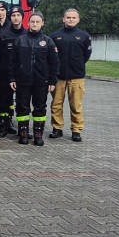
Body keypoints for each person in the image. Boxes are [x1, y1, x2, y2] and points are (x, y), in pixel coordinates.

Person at [9, 11, 59, 146]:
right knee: (22, 107)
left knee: (40, 108)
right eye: (32, 21)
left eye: (37, 22)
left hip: (41, 82)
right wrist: (12, 78)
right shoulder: (20, 40)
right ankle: (23, 133)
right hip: (22, 81)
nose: (35, 24)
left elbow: (54, 63)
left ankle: (38, 134)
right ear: (28, 23)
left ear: (42, 23)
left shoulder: (48, 41)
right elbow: (12, 62)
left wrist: (52, 81)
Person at [50, 8, 92, 142]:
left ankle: (76, 130)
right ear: (63, 19)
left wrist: (77, 65)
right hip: (59, 77)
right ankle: (57, 128)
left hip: (76, 77)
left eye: (74, 18)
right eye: (68, 17)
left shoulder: (84, 36)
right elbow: (51, 56)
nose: (71, 20)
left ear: (78, 19)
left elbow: (86, 55)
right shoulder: (55, 36)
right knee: (56, 104)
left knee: (76, 105)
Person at [0, 6, 27, 138]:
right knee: (4, 101)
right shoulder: (4, 35)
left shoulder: (27, 34)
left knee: (21, 102)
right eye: (13, 15)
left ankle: (21, 128)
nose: (15, 18)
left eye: (18, 15)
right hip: (5, 73)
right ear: (10, 17)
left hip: (22, 74)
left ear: (22, 17)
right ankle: (2, 125)